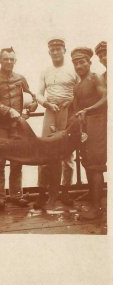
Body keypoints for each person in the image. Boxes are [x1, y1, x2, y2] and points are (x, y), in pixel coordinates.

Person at [0, 47, 38, 209]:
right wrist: (9, 111)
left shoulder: (21, 78)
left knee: (17, 161)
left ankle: (16, 195)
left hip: (17, 126)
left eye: (12, 59)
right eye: (6, 59)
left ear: (15, 61)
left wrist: (32, 107)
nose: (9, 62)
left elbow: (31, 97)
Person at [36, 38, 78, 210]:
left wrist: (72, 102)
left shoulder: (73, 69)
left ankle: (65, 191)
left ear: (64, 50)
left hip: (69, 112)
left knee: (67, 154)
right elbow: (38, 93)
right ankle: (42, 193)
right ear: (49, 52)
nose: (55, 52)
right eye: (52, 49)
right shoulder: (45, 71)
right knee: (44, 150)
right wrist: (46, 103)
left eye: (58, 49)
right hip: (50, 110)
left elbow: (80, 91)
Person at [71, 47, 107, 219]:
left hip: (97, 123)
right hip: (84, 127)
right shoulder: (77, 85)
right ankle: (94, 199)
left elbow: (107, 97)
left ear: (89, 62)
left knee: (95, 166)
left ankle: (97, 208)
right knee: (86, 163)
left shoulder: (95, 78)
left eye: (82, 62)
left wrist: (89, 109)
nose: (79, 65)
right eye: (76, 63)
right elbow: (76, 110)